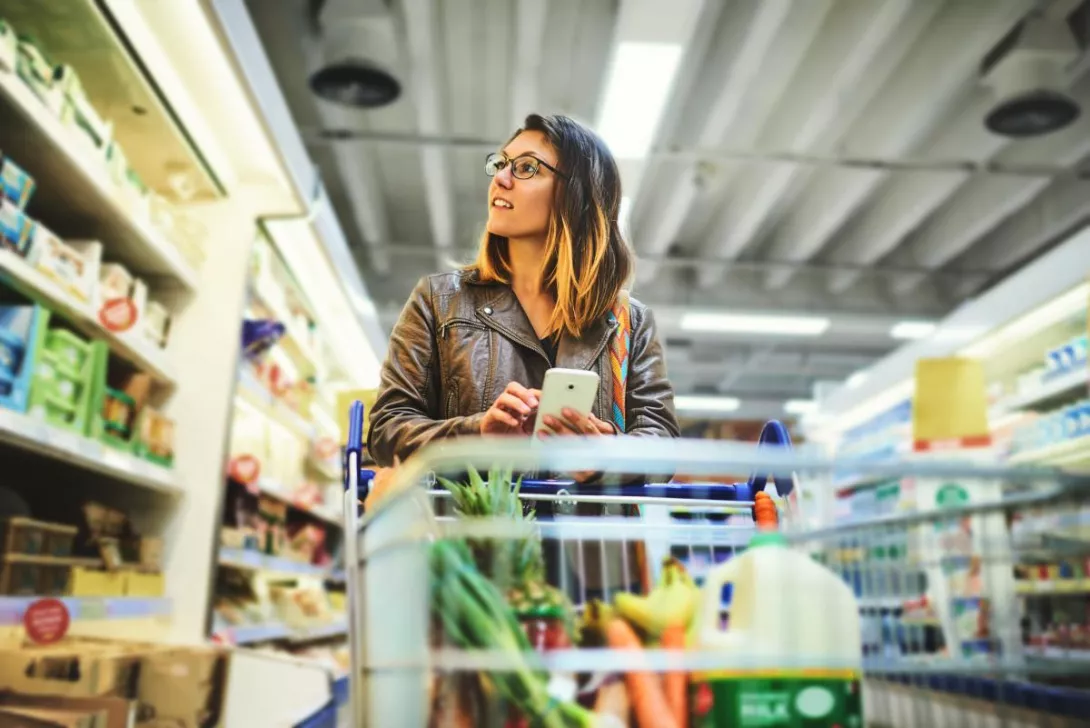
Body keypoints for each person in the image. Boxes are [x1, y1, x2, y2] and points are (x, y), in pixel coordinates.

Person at [367, 113, 679, 474]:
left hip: (584, 531)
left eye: (527, 168)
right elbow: (385, 430)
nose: (500, 178)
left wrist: (602, 455)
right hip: (473, 530)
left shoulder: (629, 321)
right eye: (501, 164)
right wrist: (477, 434)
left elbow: (662, 444)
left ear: (576, 195)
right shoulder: (438, 301)